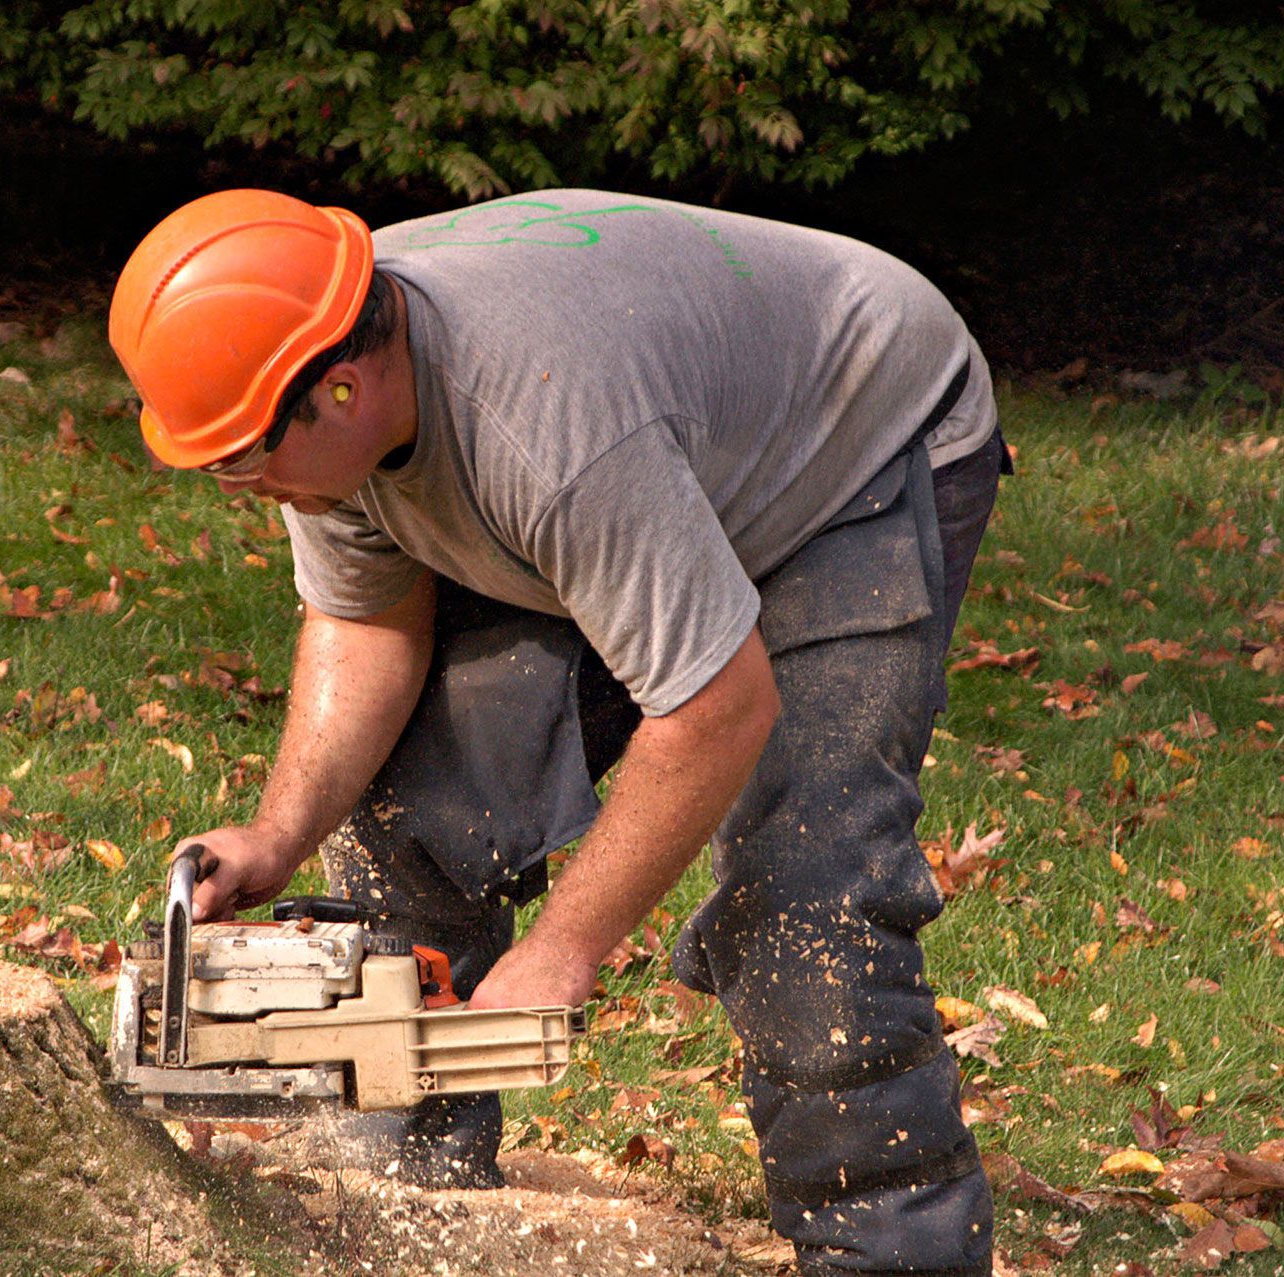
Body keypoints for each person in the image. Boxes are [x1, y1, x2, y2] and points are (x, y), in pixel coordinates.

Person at [108, 187, 1011, 1277]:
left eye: (240, 461)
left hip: (853, 445)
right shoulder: (306, 343)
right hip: (657, 447)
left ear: (342, 388)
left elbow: (717, 706)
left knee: (803, 894)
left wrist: (563, 948)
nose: (237, 486)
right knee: (415, 814)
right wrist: (278, 832)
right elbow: (365, 623)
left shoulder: (548, 433)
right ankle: (399, 1205)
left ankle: (891, 1249)